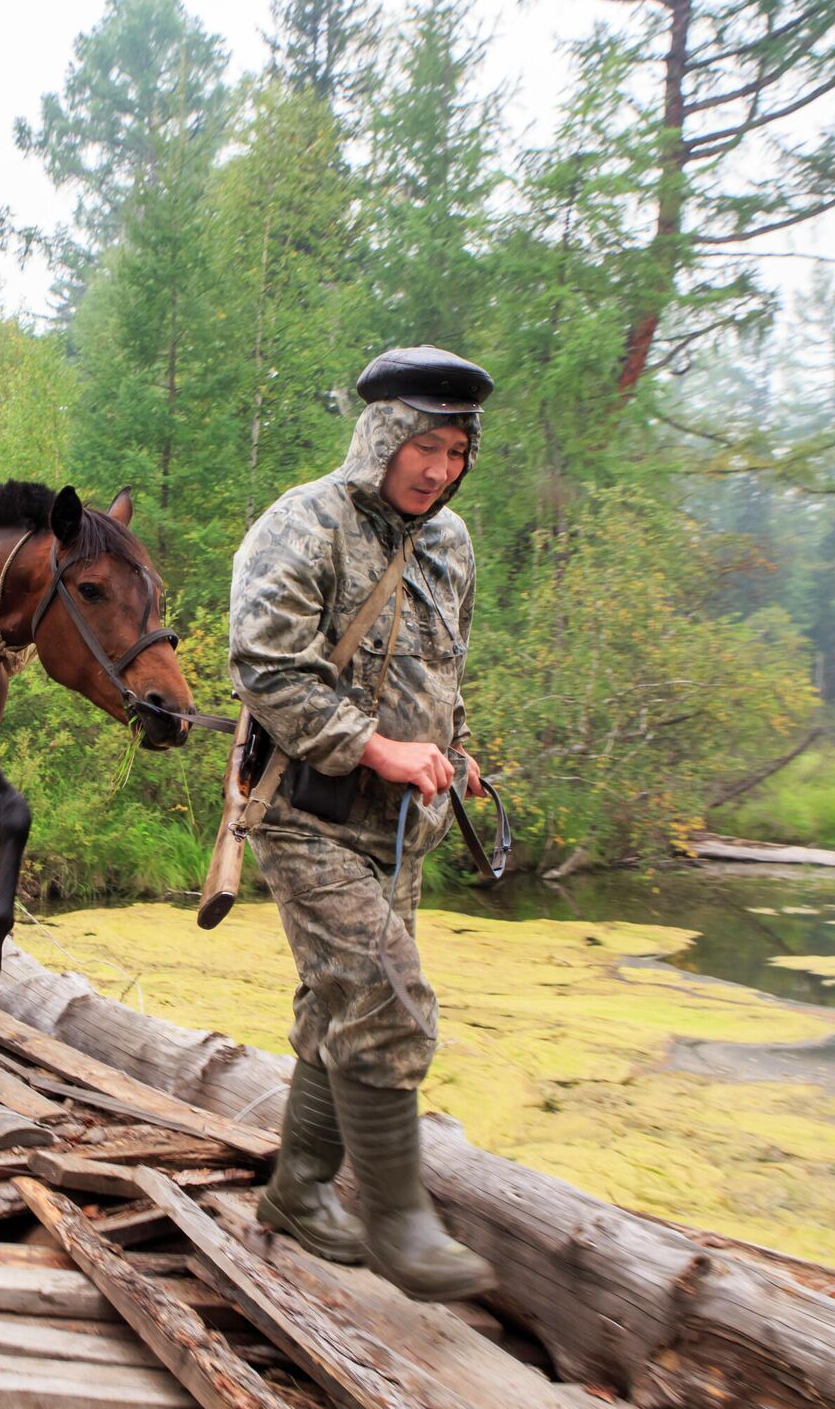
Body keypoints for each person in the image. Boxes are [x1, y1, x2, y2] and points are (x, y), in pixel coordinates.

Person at [229, 345, 497, 1301]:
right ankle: (399, 1221)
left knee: (338, 1001)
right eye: (424, 443)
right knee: (386, 993)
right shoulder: (301, 525)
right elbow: (265, 668)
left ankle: (298, 1192)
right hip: (308, 813)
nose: (439, 467)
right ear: (382, 434)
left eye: (457, 449)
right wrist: (379, 747)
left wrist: (451, 748)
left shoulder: (451, 543)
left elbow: (444, 666)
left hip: (403, 830)